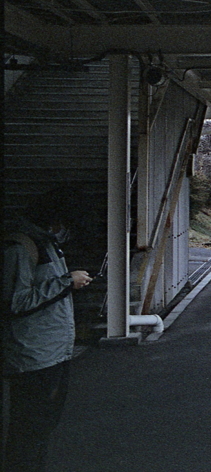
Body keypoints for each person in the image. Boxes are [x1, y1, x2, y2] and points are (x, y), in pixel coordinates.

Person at [2, 193, 92, 472]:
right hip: (32, 355)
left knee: (42, 427)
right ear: (52, 219)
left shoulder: (48, 243)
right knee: (29, 430)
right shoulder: (21, 247)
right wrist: (67, 282)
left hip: (52, 352)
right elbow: (16, 301)